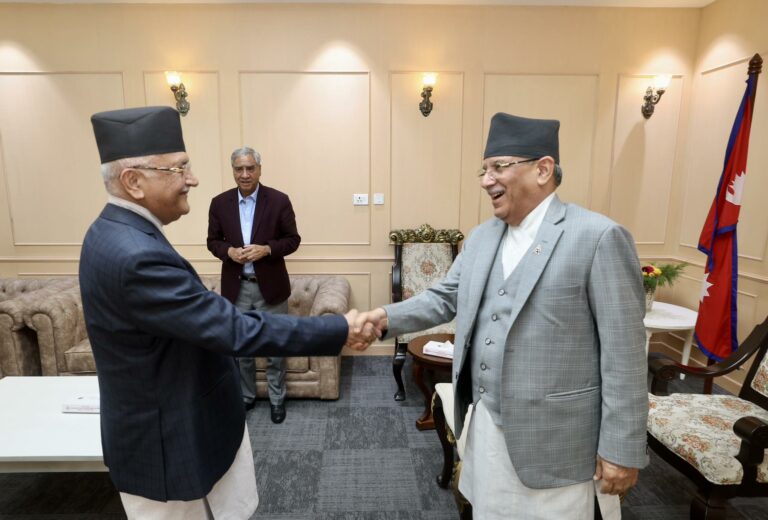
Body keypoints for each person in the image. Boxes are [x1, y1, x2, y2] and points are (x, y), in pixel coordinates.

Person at [80, 106, 375, 519]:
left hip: (175, 424)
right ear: (133, 181)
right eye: (179, 168)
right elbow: (234, 330)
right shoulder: (135, 254)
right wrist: (338, 328)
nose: (192, 179)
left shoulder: (113, 233)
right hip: (169, 445)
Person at [357, 113, 648, 519]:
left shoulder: (597, 237)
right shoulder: (481, 237)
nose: (486, 180)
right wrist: (383, 318)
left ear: (543, 169)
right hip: (487, 429)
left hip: (555, 443)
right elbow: (445, 297)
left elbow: (625, 355)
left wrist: (621, 449)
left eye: (498, 167)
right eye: (484, 169)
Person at [207, 147, 297, 424]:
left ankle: (277, 399)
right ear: (233, 171)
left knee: (274, 348)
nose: (244, 174)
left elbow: (293, 240)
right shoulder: (219, 203)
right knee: (242, 348)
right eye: (239, 169)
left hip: (271, 287)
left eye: (250, 168)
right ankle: (247, 396)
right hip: (237, 288)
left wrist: (267, 249)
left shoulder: (279, 200)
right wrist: (229, 252)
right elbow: (212, 241)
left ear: (259, 169)